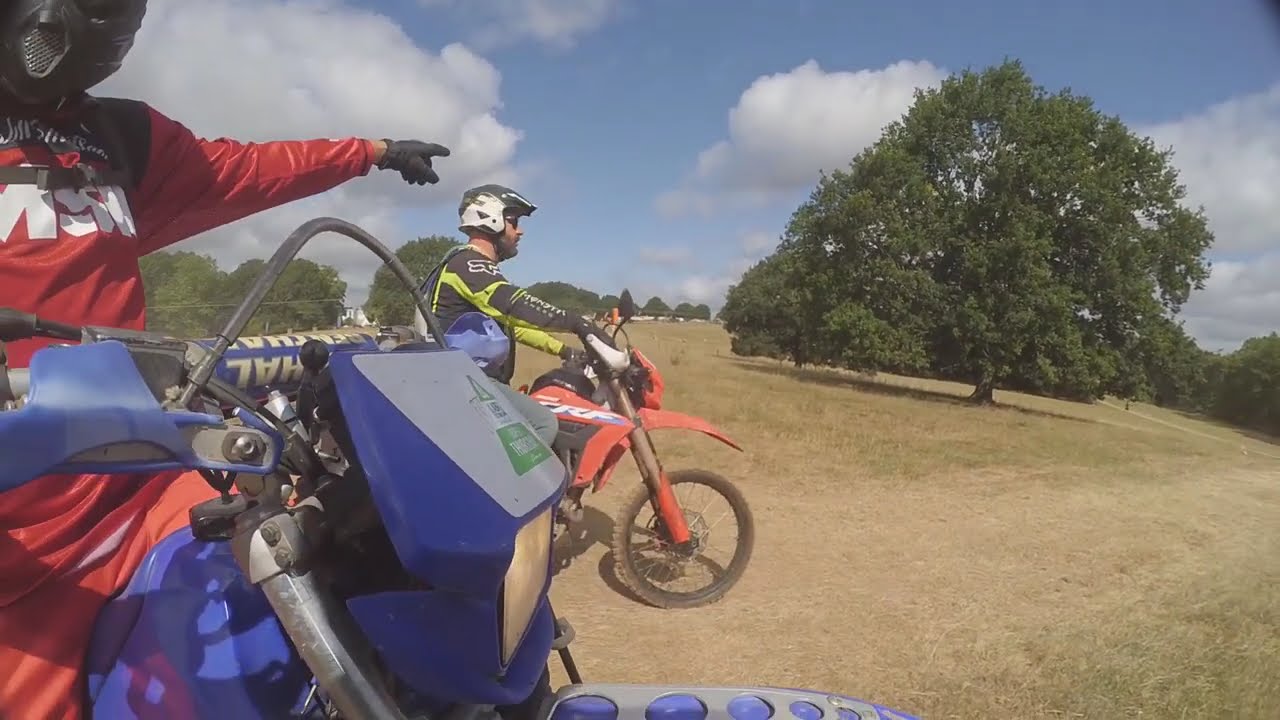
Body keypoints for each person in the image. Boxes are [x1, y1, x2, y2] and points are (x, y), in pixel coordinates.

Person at [0, 1, 453, 717]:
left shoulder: (121, 136)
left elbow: (244, 168)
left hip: (134, 471)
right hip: (14, 513)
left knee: (277, 585)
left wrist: (368, 150)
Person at [416, 183, 613, 447]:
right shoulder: (467, 265)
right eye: (513, 222)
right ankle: (514, 489)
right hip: (461, 383)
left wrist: (565, 351)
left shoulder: (469, 266)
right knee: (543, 422)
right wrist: (579, 323)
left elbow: (510, 326)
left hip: (464, 379)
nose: (519, 231)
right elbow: (514, 305)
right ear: (492, 221)